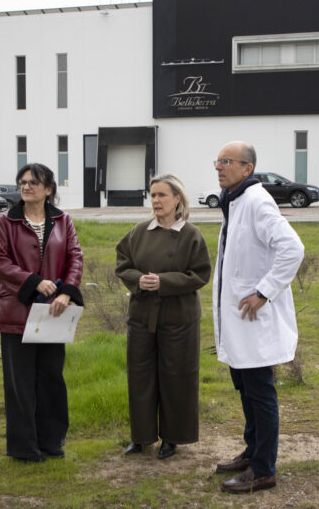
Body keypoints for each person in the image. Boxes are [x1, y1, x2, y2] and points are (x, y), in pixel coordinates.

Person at [211, 142, 304, 494]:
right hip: (240, 321)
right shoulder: (234, 201)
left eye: (226, 162)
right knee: (247, 391)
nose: (219, 167)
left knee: (260, 393)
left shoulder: (257, 201)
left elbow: (292, 249)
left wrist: (265, 291)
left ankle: (264, 469)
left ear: (247, 168)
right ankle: (252, 453)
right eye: (217, 161)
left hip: (254, 319)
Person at [0, 163, 84, 463]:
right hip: (16, 311)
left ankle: (51, 441)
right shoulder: (5, 221)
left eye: (33, 182)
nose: (26, 186)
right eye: (23, 182)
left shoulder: (63, 220)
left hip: (53, 312)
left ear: (49, 189)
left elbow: (75, 257)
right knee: (21, 383)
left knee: (51, 378)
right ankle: (23, 447)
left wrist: (67, 292)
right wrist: (31, 282)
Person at [115, 174, 212, 460]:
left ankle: (172, 437)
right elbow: (123, 264)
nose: (156, 201)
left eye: (162, 195)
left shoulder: (191, 234)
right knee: (140, 376)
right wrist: (138, 279)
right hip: (142, 315)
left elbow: (200, 274)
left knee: (177, 378)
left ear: (177, 199)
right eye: (152, 195)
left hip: (179, 317)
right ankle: (141, 436)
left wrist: (164, 282)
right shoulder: (139, 231)